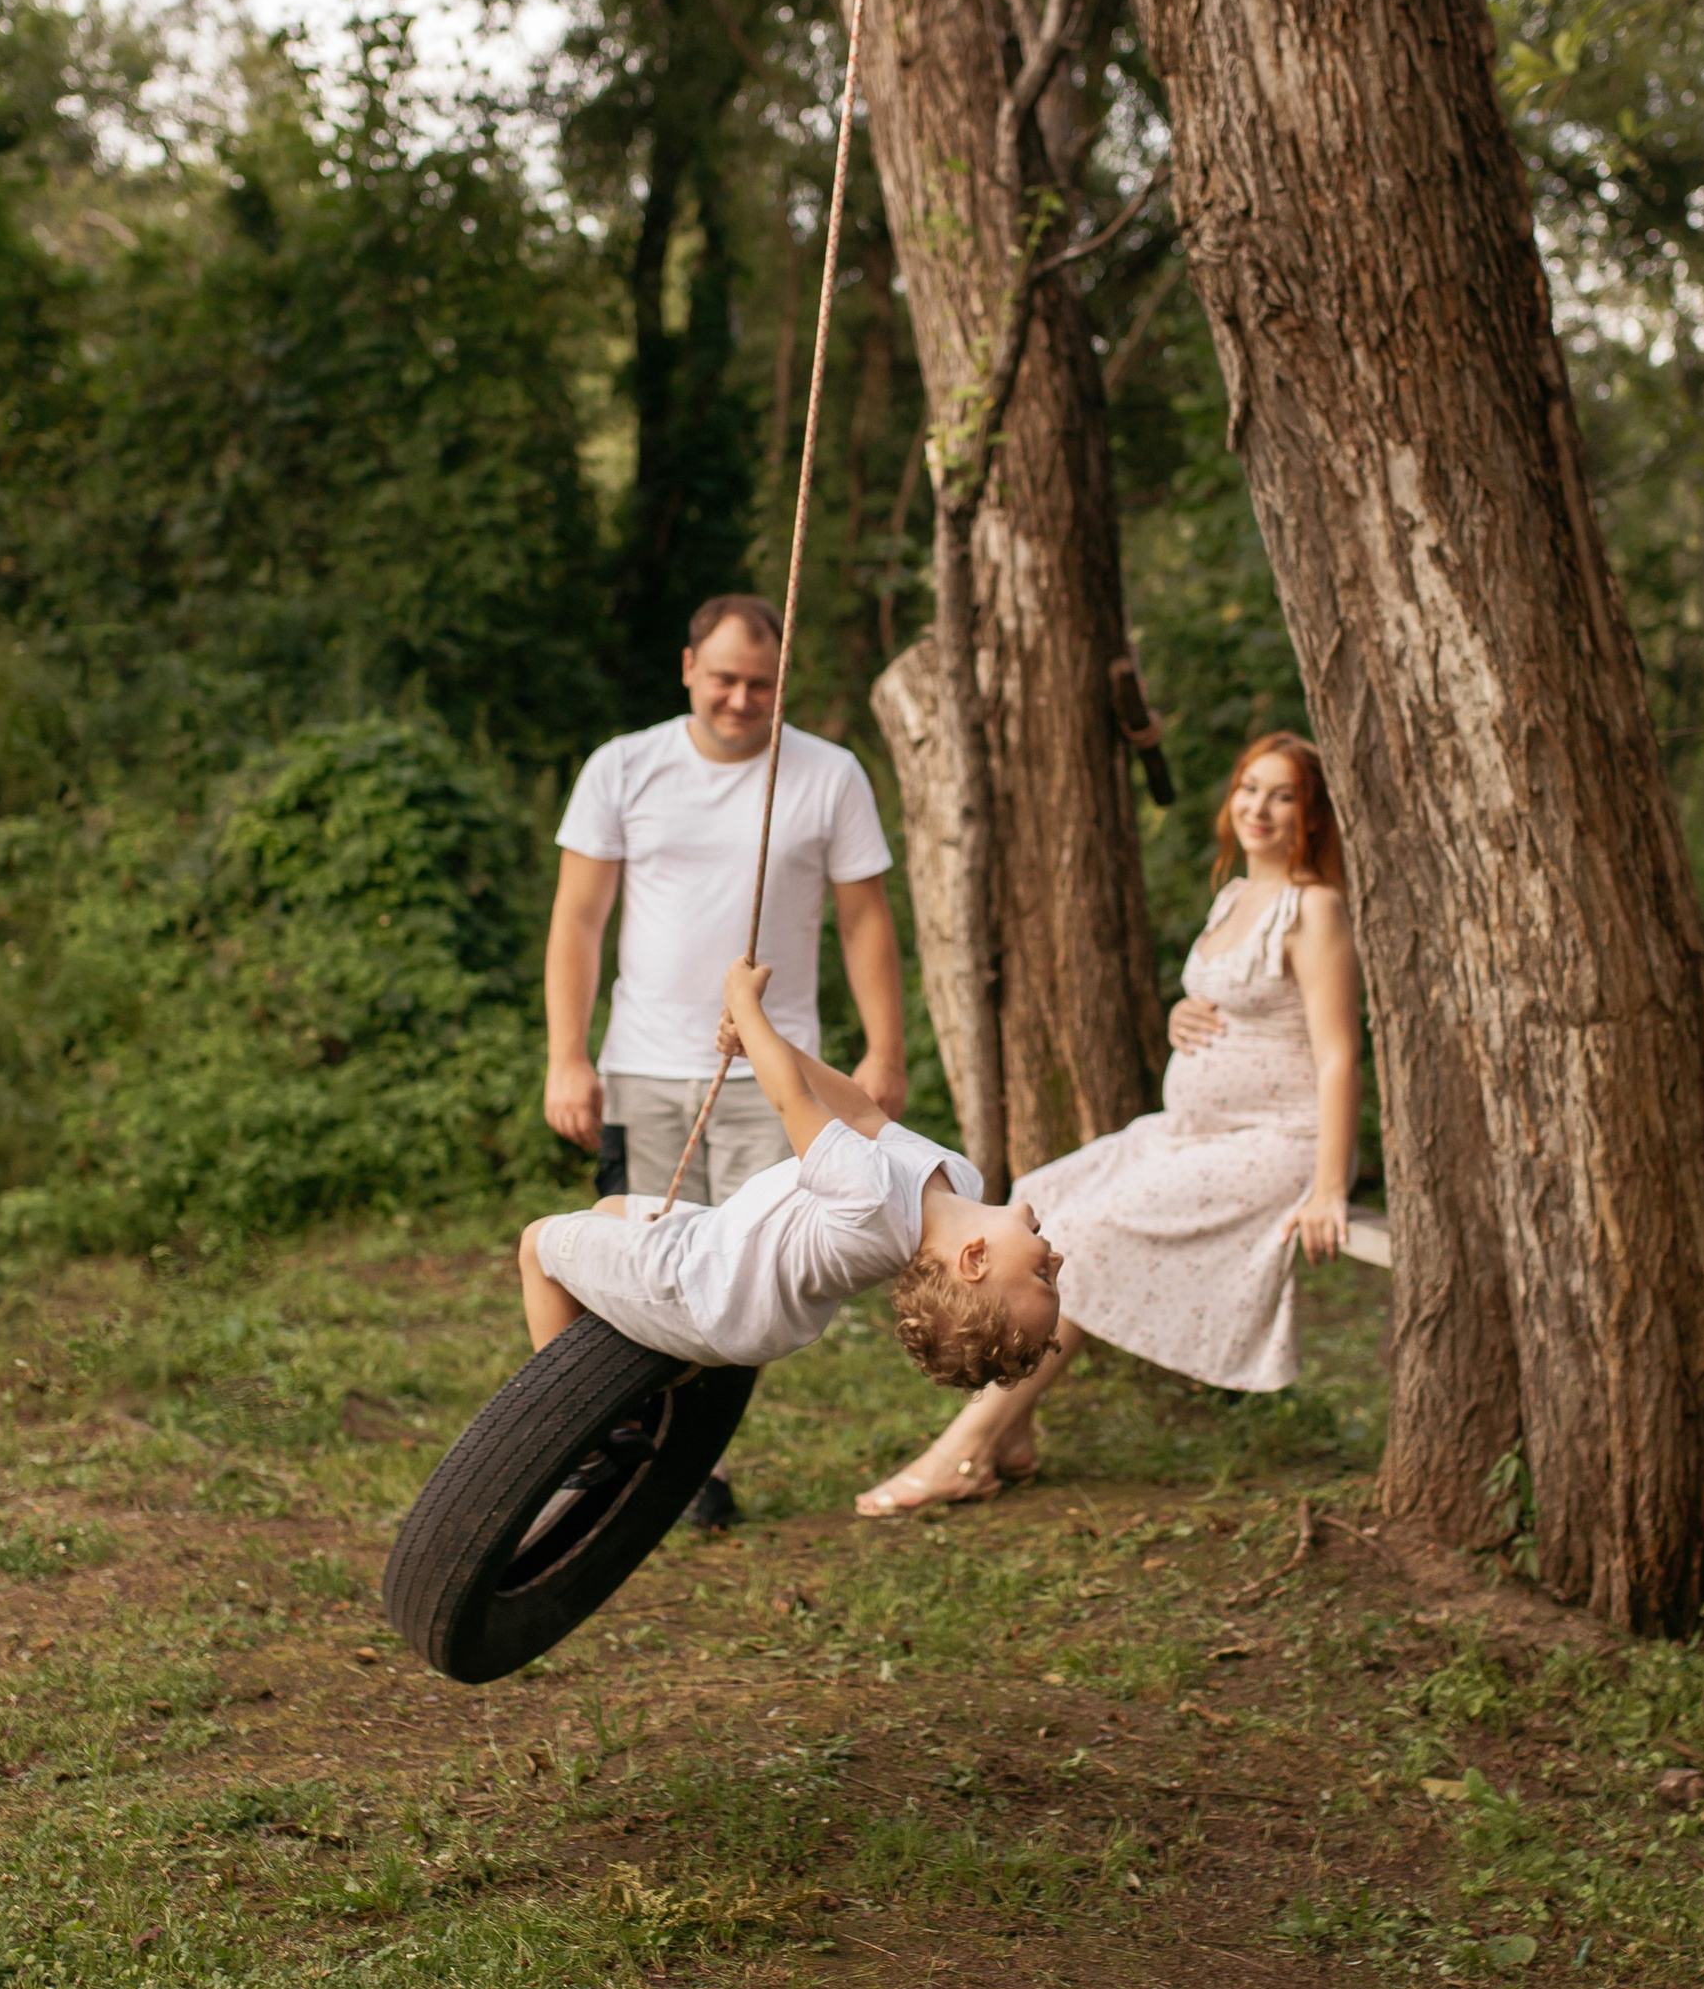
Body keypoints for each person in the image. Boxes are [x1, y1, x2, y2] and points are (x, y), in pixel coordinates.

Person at [853, 731, 1364, 1516]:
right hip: (1190, 1129)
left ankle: (966, 1448)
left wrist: (1330, 1186)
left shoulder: (1314, 908)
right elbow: (1247, 1006)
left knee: (1082, 1238)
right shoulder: (1235, 896)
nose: (1260, 808)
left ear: (1315, 816)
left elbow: (1335, 1054)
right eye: (1249, 789)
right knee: (1044, 1197)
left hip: (1273, 1143)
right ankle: (1014, 1432)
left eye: (1284, 794)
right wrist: (1182, 1019)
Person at [545, 592, 908, 1526]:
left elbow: (866, 921)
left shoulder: (827, 776)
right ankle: (616, 1450)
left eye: (761, 684)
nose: (742, 700)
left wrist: (884, 1050)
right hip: (645, 1065)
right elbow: (578, 924)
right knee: (638, 1263)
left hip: (779, 1080)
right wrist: (567, 1058)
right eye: (724, 680)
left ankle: (687, 1470)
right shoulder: (623, 768)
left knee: (740, 1291)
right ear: (686, 670)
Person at [519, 957, 1061, 1390]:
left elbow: (792, 1102)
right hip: (713, 1245)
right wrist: (764, 1042)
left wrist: (745, 1007)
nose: (1056, 1258)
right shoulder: (957, 1180)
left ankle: (557, 1421)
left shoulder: (874, 1205)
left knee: (539, 1243)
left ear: (975, 1259)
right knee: (606, 1215)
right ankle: (642, 1363)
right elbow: (862, 1113)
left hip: (706, 1292)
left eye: (1043, 1276)